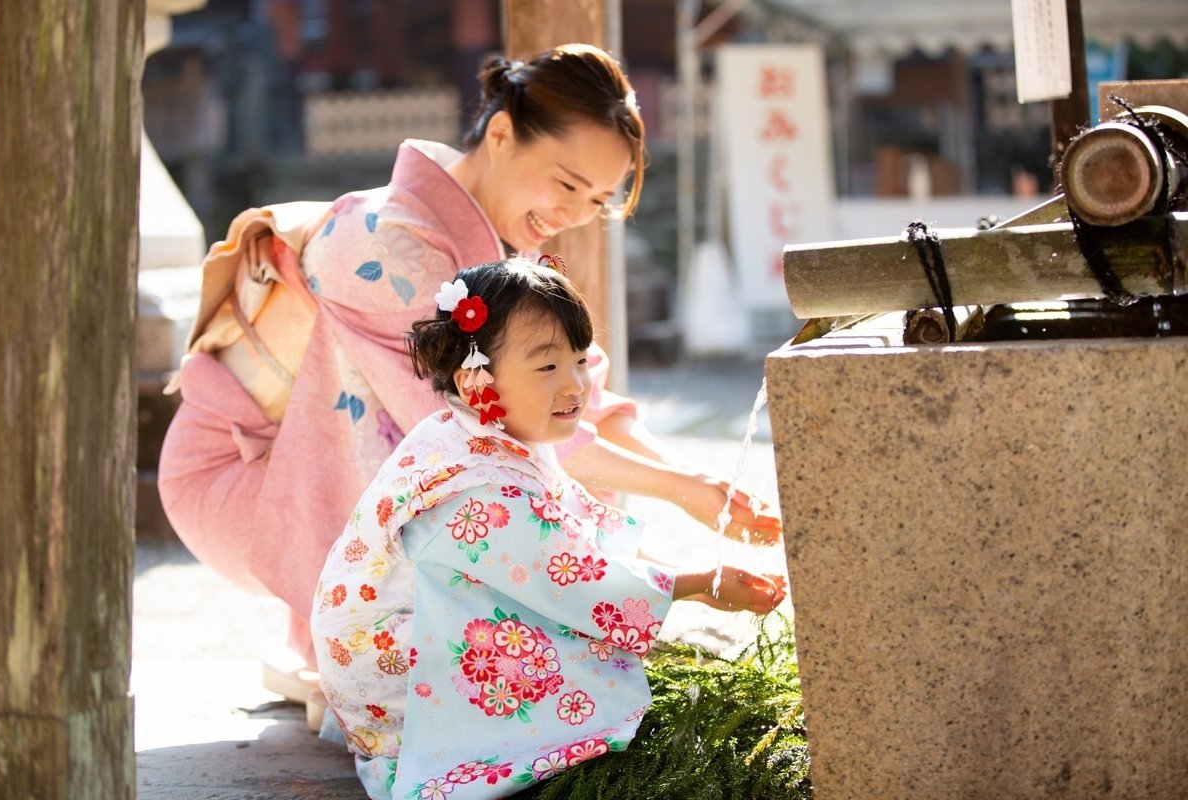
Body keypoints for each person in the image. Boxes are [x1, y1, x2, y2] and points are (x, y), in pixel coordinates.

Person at [158, 43, 780, 675]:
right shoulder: (383, 240)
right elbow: (502, 424)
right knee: (486, 444)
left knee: (553, 413)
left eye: (597, 201)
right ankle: (397, 660)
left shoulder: (507, 261)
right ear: (504, 134)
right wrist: (678, 494)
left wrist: (701, 488)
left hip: (302, 456)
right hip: (240, 473)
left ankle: (531, 641)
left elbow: (583, 398)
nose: (573, 213)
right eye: (567, 182)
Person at [311, 259, 786, 800]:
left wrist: (675, 576)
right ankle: (440, 756)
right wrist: (699, 583)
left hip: (392, 640)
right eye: (547, 367)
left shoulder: (473, 433)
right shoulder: (474, 484)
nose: (576, 385)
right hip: (395, 675)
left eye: (580, 361)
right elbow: (569, 579)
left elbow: (568, 536)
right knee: (551, 652)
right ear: (475, 381)